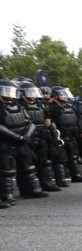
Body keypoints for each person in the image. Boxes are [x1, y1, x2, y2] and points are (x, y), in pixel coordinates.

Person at [0, 79, 49, 208]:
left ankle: (31, 190)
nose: (8, 94)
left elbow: (30, 122)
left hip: (22, 142)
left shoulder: (19, 105)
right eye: (5, 90)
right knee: (7, 171)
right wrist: (17, 137)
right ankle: (6, 196)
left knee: (28, 168)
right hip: (6, 144)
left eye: (10, 91)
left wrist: (26, 135)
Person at [17, 80, 62, 192]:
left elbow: (48, 119)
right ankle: (28, 189)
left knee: (44, 162)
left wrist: (51, 132)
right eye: (29, 92)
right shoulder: (19, 105)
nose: (32, 95)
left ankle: (46, 184)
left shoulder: (40, 104)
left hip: (41, 136)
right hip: (27, 138)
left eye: (33, 92)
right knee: (27, 165)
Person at [48, 86, 82, 183]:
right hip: (60, 136)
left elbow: (78, 120)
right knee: (60, 159)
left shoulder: (69, 107)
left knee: (73, 157)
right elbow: (50, 123)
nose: (65, 97)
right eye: (62, 94)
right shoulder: (51, 108)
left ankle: (76, 175)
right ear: (55, 95)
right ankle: (60, 179)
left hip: (71, 136)